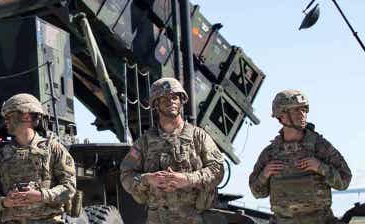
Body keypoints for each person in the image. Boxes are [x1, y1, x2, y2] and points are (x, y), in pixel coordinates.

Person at [120, 77, 224, 224]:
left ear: (181, 101)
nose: (171, 101)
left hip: (192, 217)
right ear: (155, 104)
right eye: (165, 98)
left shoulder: (198, 136)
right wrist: (148, 179)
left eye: (175, 97)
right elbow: (126, 175)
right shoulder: (144, 142)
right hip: (157, 218)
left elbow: (217, 170)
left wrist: (187, 180)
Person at [249, 90, 351, 224]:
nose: (302, 114)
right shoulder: (271, 153)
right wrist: (265, 174)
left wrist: (320, 167)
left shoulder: (319, 147)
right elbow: (257, 193)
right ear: (282, 115)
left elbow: (344, 181)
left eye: (304, 110)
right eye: (296, 110)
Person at [0, 93, 76, 224]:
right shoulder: (1, 156)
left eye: (9, 116)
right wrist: (5, 202)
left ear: (26, 117)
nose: (6, 121)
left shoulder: (54, 150)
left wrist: (41, 196)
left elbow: (69, 187)